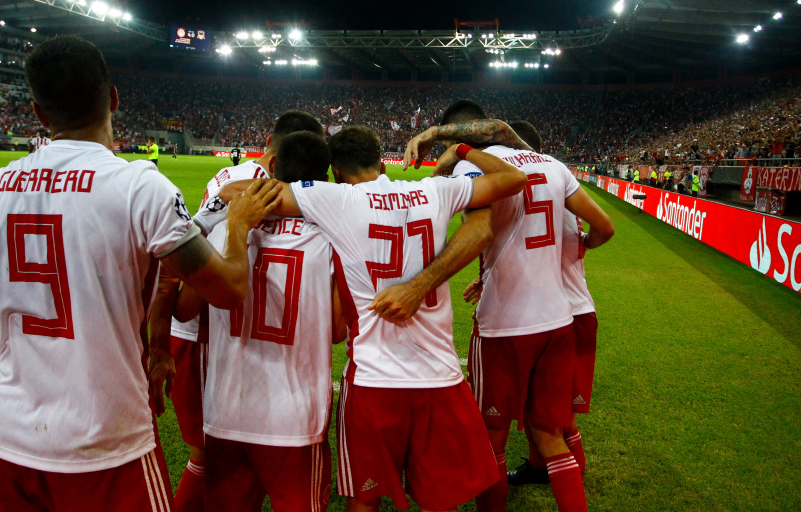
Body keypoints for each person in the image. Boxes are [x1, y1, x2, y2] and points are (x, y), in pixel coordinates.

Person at [0, 35, 279, 512]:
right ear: (113, 97)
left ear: (38, 113)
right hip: (104, 435)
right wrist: (236, 226)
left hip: (8, 434)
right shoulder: (138, 185)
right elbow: (229, 288)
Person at [221, 125, 528, 512]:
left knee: (365, 500)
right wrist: (463, 149)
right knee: (440, 499)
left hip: (372, 377)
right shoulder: (434, 190)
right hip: (439, 376)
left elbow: (235, 195)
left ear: (335, 171)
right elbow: (514, 178)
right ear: (382, 161)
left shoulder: (336, 198)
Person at [393, 108, 614, 512]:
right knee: (551, 432)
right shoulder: (552, 164)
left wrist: (426, 280)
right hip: (558, 318)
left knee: (491, 433)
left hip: (505, 324)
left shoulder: (471, 171)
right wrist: (575, 249)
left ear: (467, 139)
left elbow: (478, 233)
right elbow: (604, 228)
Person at [152, 110, 326, 511]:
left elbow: (182, 272)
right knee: (203, 456)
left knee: (213, 460)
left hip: (220, 366)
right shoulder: (315, 222)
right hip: (227, 356)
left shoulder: (232, 196)